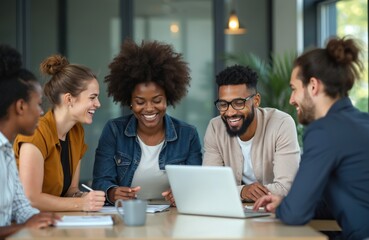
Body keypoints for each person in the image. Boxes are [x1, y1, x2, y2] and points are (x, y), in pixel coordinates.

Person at [253, 37, 369, 240]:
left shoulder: (324, 130)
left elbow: (295, 215)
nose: (291, 99)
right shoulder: (361, 121)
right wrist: (285, 202)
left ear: (313, 86)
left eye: (294, 88)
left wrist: (287, 208)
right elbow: (344, 200)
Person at [92, 39, 202, 206]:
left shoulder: (188, 134)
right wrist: (113, 192)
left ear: (168, 99)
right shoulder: (114, 131)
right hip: (128, 215)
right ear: (130, 102)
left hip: (172, 217)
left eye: (157, 100)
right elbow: (100, 182)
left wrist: (182, 194)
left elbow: (197, 185)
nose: (149, 108)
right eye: (140, 102)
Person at [13, 54, 106, 212]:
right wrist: (81, 204)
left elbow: (71, 191)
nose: (98, 104)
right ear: (69, 99)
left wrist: (84, 197)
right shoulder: (36, 132)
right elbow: (31, 198)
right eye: (93, 97)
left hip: (53, 221)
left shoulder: (76, 132)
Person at [203, 65, 300, 202]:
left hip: (274, 213)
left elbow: (286, 188)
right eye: (223, 104)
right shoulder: (215, 127)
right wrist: (242, 191)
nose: (230, 112)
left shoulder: (281, 123)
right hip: (234, 213)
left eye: (238, 103)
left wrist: (231, 192)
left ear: (256, 100)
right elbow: (209, 186)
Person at [0, 45, 58, 238]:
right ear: (21, 106)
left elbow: (22, 208)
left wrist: (49, 219)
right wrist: (21, 227)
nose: (41, 112)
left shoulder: (6, 149)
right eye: (39, 104)